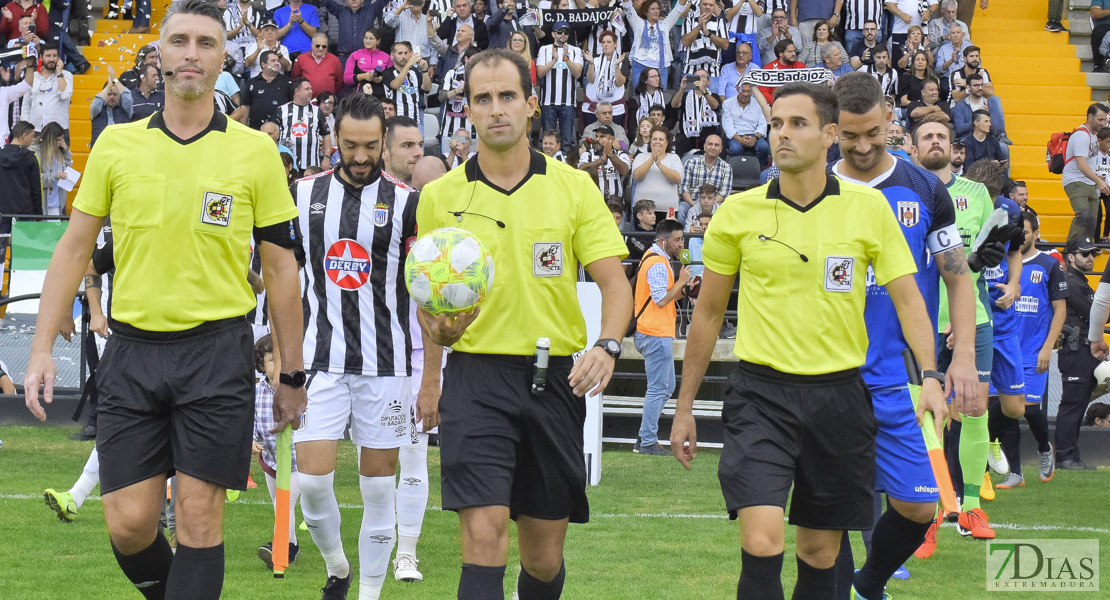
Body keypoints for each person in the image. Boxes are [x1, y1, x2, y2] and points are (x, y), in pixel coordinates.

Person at [22, 3, 306, 600]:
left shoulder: (254, 152)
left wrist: (292, 370)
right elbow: (74, 250)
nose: (191, 53)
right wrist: (41, 346)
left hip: (217, 353)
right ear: (160, 52)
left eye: (206, 42)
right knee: (128, 525)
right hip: (133, 353)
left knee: (200, 520)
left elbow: (280, 269)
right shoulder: (117, 144)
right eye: (179, 41)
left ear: (223, 56)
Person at [670, 81, 940, 599]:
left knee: (819, 554)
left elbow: (909, 299)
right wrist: (684, 406)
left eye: (797, 124)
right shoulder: (737, 212)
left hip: (840, 396)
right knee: (763, 541)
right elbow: (706, 315)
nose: (782, 135)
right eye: (776, 124)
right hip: (759, 396)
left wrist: (930, 375)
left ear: (829, 134)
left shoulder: (867, 208)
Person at [415, 47, 632, 600]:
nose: (496, 109)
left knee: (542, 558)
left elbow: (615, 284)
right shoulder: (440, 197)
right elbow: (429, 304)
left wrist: (607, 345)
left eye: (507, 96)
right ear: (466, 109)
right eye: (482, 98)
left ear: (531, 104)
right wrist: (435, 363)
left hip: (554, 380)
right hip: (477, 380)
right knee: (484, 538)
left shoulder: (574, 187)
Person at [828, 73, 976, 600]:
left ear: (890, 120)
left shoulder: (925, 188)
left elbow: (958, 277)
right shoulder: (814, 185)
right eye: (850, 136)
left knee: (918, 505)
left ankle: (868, 586)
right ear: (833, 130)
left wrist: (959, 360)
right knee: (832, 509)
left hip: (901, 375)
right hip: (828, 373)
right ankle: (844, 591)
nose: (863, 146)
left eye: (873, 131)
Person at [292, 92, 428, 600]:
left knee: (377, 490)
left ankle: (369, 593)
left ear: (385, 143)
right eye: (351, 145)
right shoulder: (302, 195)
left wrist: (430, 374)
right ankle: (338, 567)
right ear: (335, 138)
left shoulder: (408, 204)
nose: (361, 156)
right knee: (311, 483)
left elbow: (428, 289)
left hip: (386, 365)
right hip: (318, 362)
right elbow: (284, 277)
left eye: (371, 146)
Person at [995, 212, 1066, 488]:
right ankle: (1016, 472)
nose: (1020, 238)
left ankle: (1044, 448)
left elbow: (1060, 309)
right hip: (1004, 349)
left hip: (1034, 351)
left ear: (1035, 234)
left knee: (1029, 408)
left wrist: (1048, 347)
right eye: (1015, 233)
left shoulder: (1049, 265)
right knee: (1005, 409)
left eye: (1024, 232)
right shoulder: (1002, 263)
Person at [632, 219, 693, 456]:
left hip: (657, 332)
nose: (681, 244)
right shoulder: (657, 263)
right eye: (677, 239)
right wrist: (681, 282)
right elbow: (660, 300)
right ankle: (647, 441)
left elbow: (666, 298)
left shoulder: (657, 259)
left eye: (681, 239)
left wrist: (684, 287)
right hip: (654, 332)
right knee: (659, 389)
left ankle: (644, 438)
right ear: (663, 240)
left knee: (666, 387)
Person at [251, 333, 302, 569]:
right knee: (279, 506)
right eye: (273, 360)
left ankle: (280, 548)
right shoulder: (257, 393)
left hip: (298, 463)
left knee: (285, 504)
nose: (278, 366)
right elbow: (249, 422)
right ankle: (290, 545)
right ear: (262, 365)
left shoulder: (300, 393)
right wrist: (250, 440)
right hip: (272, 462)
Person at [1063, 104, 1110, 242]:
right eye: (1100, 120)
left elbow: (1089, 162)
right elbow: (1081, 164)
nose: (1103, 123)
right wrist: (1099, 181)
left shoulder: (1093, 136)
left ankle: (1086, 249)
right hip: (1076, 180)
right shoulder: (1082, 136)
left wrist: (1097, 176)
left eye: (1105, 120)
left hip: (1089, 182)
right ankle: (1070, 249)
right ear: (1090, 117)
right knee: (1083, 214)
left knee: (1092, 220)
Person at [536, 21, 584, 154]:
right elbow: (540, 72)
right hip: (548, 102)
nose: (563, 35)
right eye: (559, 32)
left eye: (566, 32)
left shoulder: (576, 51)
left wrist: (566, 59)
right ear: (553, 34)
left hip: (568, 102)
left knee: (567, 141)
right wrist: (554, 60)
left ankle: (565, 169)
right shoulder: (544, 49)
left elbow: (578, 73)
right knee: (548, 141)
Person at [275, 77, 332, 169]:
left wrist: (327, 157)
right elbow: (273, 134)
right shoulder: (282, 110)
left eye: (311, 89)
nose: (311, 92)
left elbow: (326, 135)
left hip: (311, 165)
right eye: (307, 89)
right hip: (286, 165)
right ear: (297, 91)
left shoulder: (317, 111)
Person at [21, 43, 73, 134]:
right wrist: (25, 127)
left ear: (59, 58)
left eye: (55, 56)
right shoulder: (33, 76)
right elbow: (26, 105)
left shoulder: (67, 75)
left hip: (58, 131)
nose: (51, 59)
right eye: (48, 56)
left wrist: (59, 73)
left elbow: (64, 96)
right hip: (35, 130)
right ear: (41, 57)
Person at [631, 126, 683, 213]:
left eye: (661, 139)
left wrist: (659, 165)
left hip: (667, 209)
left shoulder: (674, 158)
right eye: (654, 139)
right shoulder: (641, 157)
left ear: (666, 143)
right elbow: (636, 176)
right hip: (643, 210)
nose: (657, 142)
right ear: (650, 141)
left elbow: (678, 179)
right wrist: (652, 159)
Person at [235, 50, 293, 128]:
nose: (277, 63)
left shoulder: (288, 82)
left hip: (282, 130)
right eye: (273, 61)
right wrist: (242, 129)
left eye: (277, 61)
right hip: (257, 131)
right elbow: (245, 107)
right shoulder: (252, 83)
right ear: (263, 64)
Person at [0, 121, 42, 218]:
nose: (32, 140)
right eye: (31, 136)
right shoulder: (31, 158)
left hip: (3, 212)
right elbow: (36, 189)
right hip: (25, 212)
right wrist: (39, 215)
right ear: (24, 135)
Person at [578, 124, 632, 199]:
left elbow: (624, 170)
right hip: (593, 201)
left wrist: (611, 155)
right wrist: (601, 160)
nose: (597, 139)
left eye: (602, 137)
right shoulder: (588, 154)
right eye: (596, 136)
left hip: (615, 204)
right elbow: (581, 170)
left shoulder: (621, 154)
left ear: (611, 139)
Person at [32, 122, 72, 215]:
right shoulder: (35, 153)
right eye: (58, 139)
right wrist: (54, 176)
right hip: (42, 205)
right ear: (50, 140)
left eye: (62, 139)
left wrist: (66, 151)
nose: (61, 142)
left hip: (56, 203)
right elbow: (36, 179)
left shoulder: (59, 152)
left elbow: (67, 166)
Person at [90, 66, 133, 147]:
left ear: (119, 96)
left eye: (115, 94)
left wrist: (115, 80)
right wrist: (108, 86)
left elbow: (128, 98)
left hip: (121, 148)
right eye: (109, 94)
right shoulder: (97, 110)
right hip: (100, 148)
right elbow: (95, 103)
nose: (111, 97)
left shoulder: (125, 109)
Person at [292, 33, 344, 97]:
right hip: (306, 100)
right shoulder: (301, 59)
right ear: (312, 45)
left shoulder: (335, 60)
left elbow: (339, 81)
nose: (321, 48)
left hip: (326, 101)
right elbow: (296, 79)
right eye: (317, 46)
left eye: (324, 46)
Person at [383, 115, 425, 187]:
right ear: (384, 151)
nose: (419, 153)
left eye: (420, 145)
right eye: (407, 145)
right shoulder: (368, 196)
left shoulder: (433, 193)